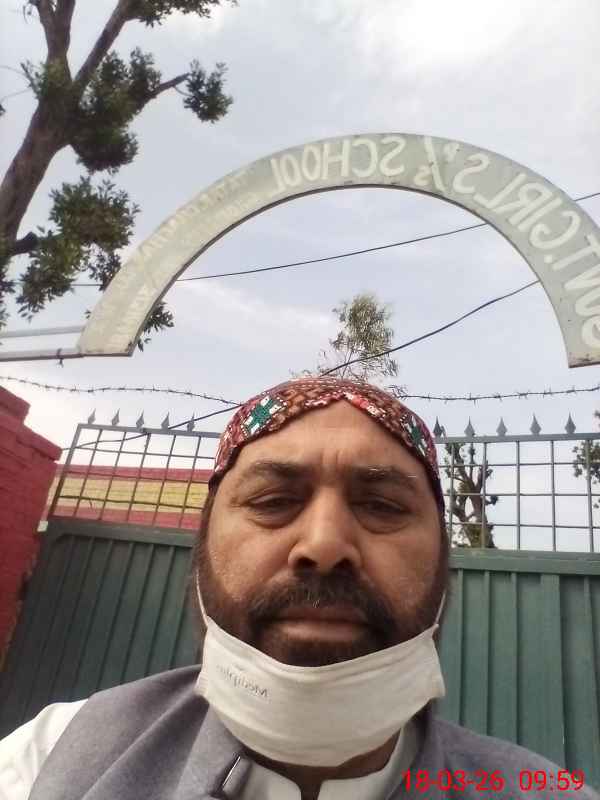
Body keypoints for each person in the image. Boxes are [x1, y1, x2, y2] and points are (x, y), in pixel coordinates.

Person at [0, 376, 597, 800]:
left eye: (383, 506)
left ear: (444, 561)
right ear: (203, 547)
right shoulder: (49, 760)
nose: (325, 544)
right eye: (272, 500)